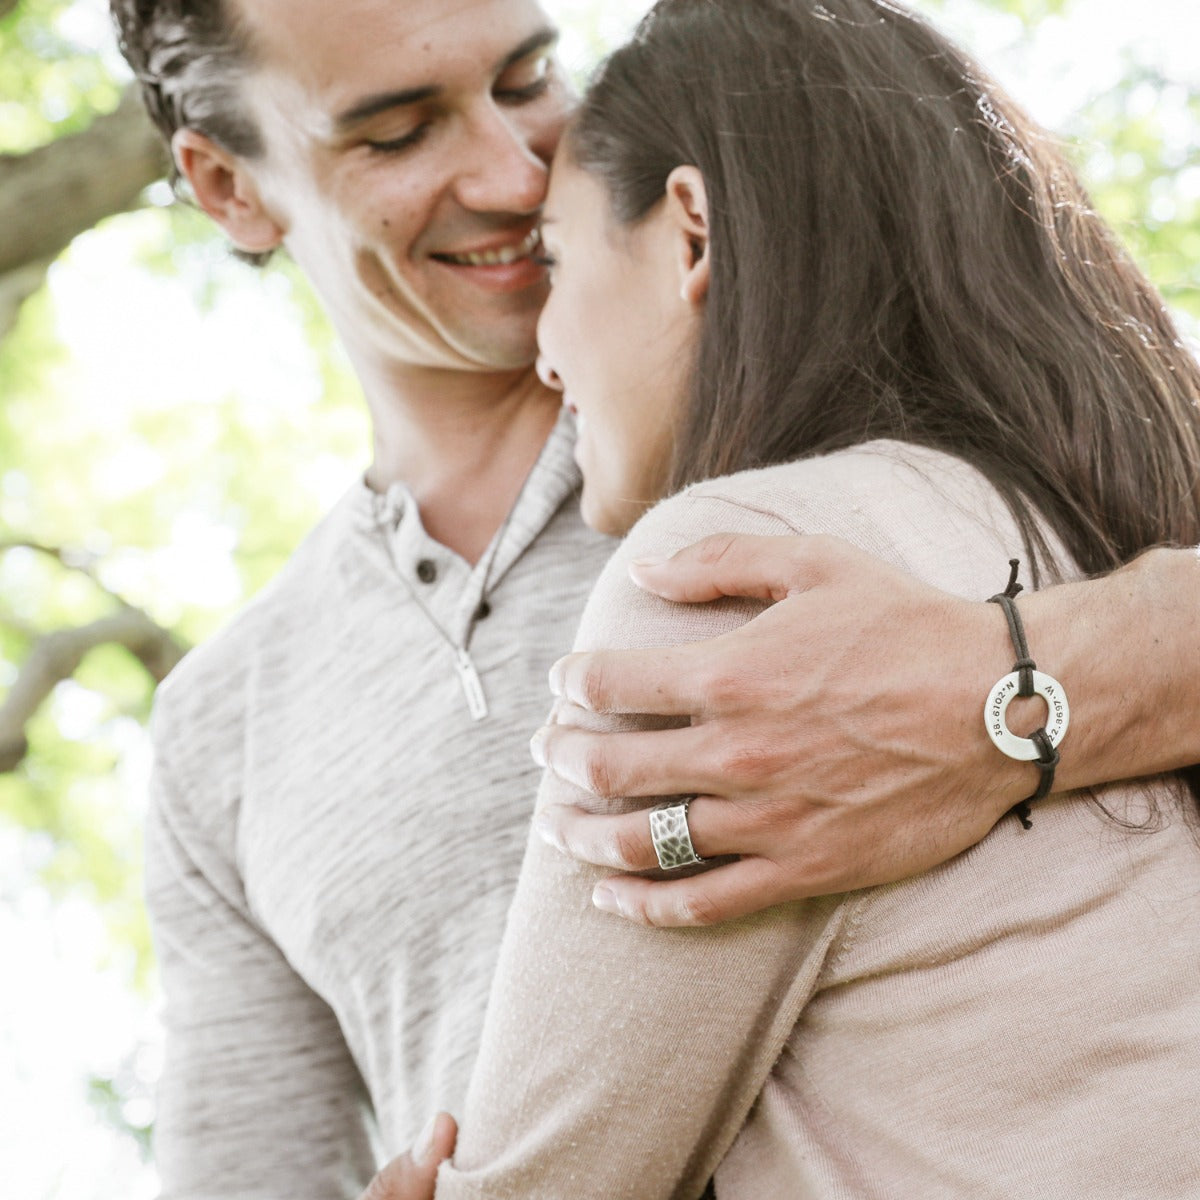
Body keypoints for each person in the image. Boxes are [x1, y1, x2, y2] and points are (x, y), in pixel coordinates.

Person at [105, 0, 1200, 1196]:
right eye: (398, 131)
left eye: (526, 78)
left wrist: (1014, 686)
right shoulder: (224, 730)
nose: (515, 169)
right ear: (227, 187)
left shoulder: (806, 484)